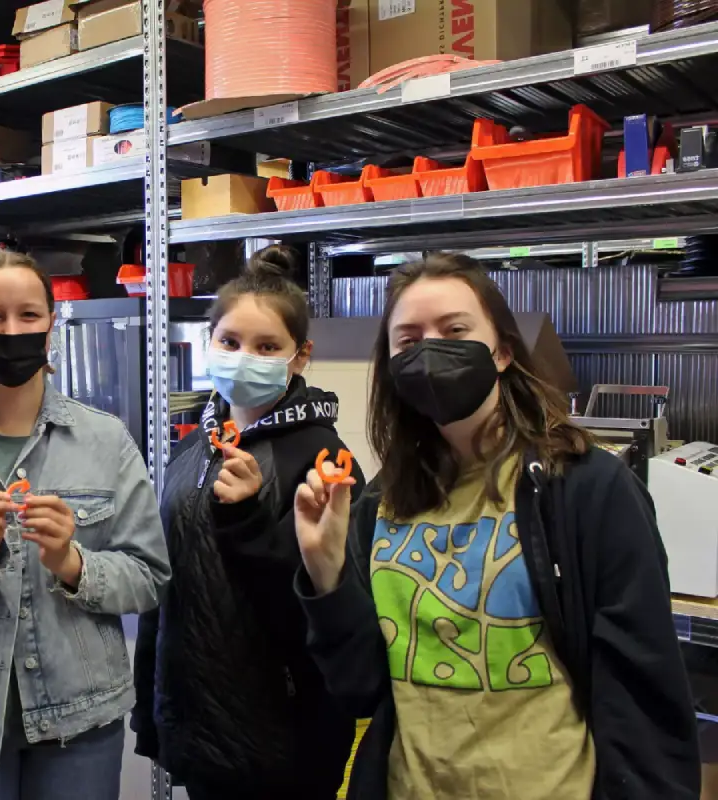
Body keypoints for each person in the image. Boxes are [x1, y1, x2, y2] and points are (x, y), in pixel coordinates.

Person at [293, 253, 700, 799]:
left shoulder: (586, 490)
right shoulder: (380, 502)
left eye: (455, 330)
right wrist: (327, 572)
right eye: (407, 341)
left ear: (503, 351)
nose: (430, 350)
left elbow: (645, 697)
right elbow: (362, 688)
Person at [0, 248, 171, 800]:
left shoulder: (105, 442)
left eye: (29, 315)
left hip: (78, 724)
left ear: (52, 325)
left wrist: (74, 564)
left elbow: (150, 577)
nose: (11, 331)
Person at [131, 245, 364, 799]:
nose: (244, 357)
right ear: (208, 344)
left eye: (267, 347)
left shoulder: (324, 460)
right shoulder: (195, 449)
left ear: (300, 356)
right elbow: (165, 590)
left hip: (282, 745)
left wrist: (251, 522)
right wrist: (152, 708)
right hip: (198, 729)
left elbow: (328, 612)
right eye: (230, 343)